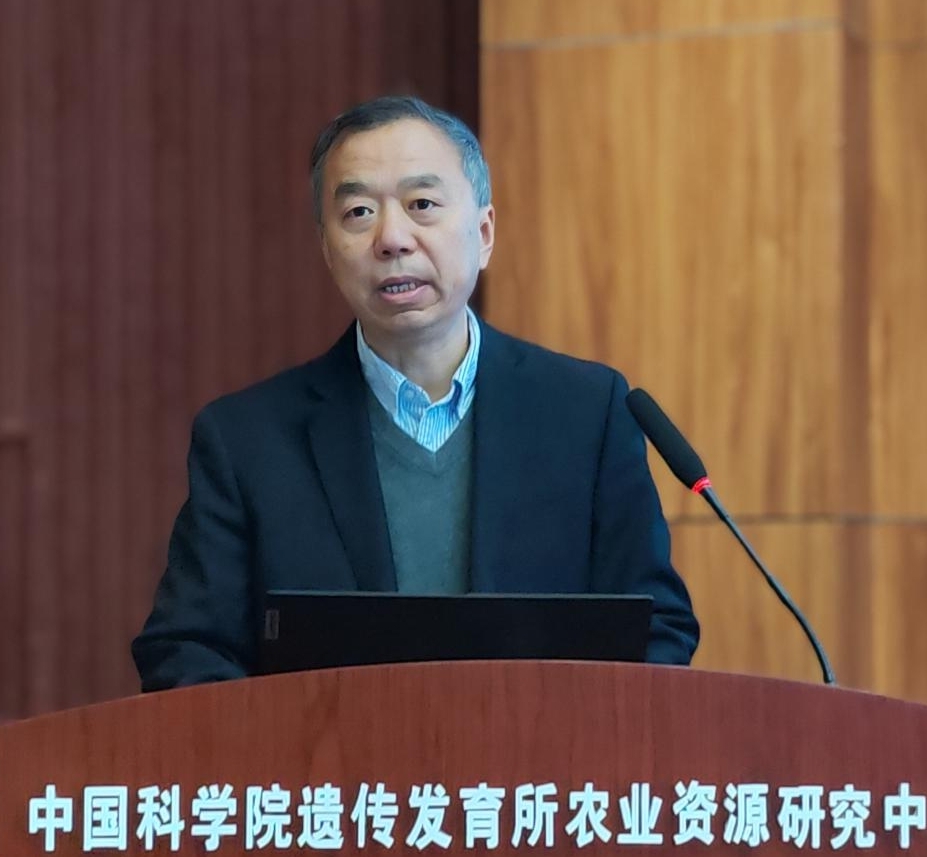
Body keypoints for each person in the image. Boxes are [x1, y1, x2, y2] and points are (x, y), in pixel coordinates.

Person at [132, 95, 699, 690]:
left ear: (484, 233)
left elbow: (655, 628)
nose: (392, 238)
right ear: (327, 250)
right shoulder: (248, 441)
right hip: (327, 754)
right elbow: (187, 650)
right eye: (358, 212)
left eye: (421, 204)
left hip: (540, 751)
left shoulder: (587, 413)